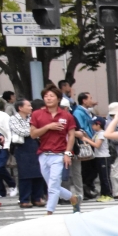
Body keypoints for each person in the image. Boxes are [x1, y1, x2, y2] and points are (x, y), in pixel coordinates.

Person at [29, 83, 78, 215]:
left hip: (59, 155)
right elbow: (33, 134)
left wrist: (68, 154)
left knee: (53, 185)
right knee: (53, 185)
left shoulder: (67, 116)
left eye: (51, 96)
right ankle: (73, 198)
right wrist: (47, 127)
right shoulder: (37, 114)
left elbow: (71, 135)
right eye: (46, 96)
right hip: (43, 154)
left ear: (58, 98)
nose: (48, 98)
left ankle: (49, 212)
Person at [8, 98, 46, 207]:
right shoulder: (13, 119)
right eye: (28, 106)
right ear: (20, 108)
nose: (31, 107)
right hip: (22, 147)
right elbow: (21, 131)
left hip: (35, 145)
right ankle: (24, 199)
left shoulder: (32, 117)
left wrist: (36, 132)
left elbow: (39, 131)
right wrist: (35, 131)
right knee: (25, 174)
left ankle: (37, 198)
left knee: (38, 172)